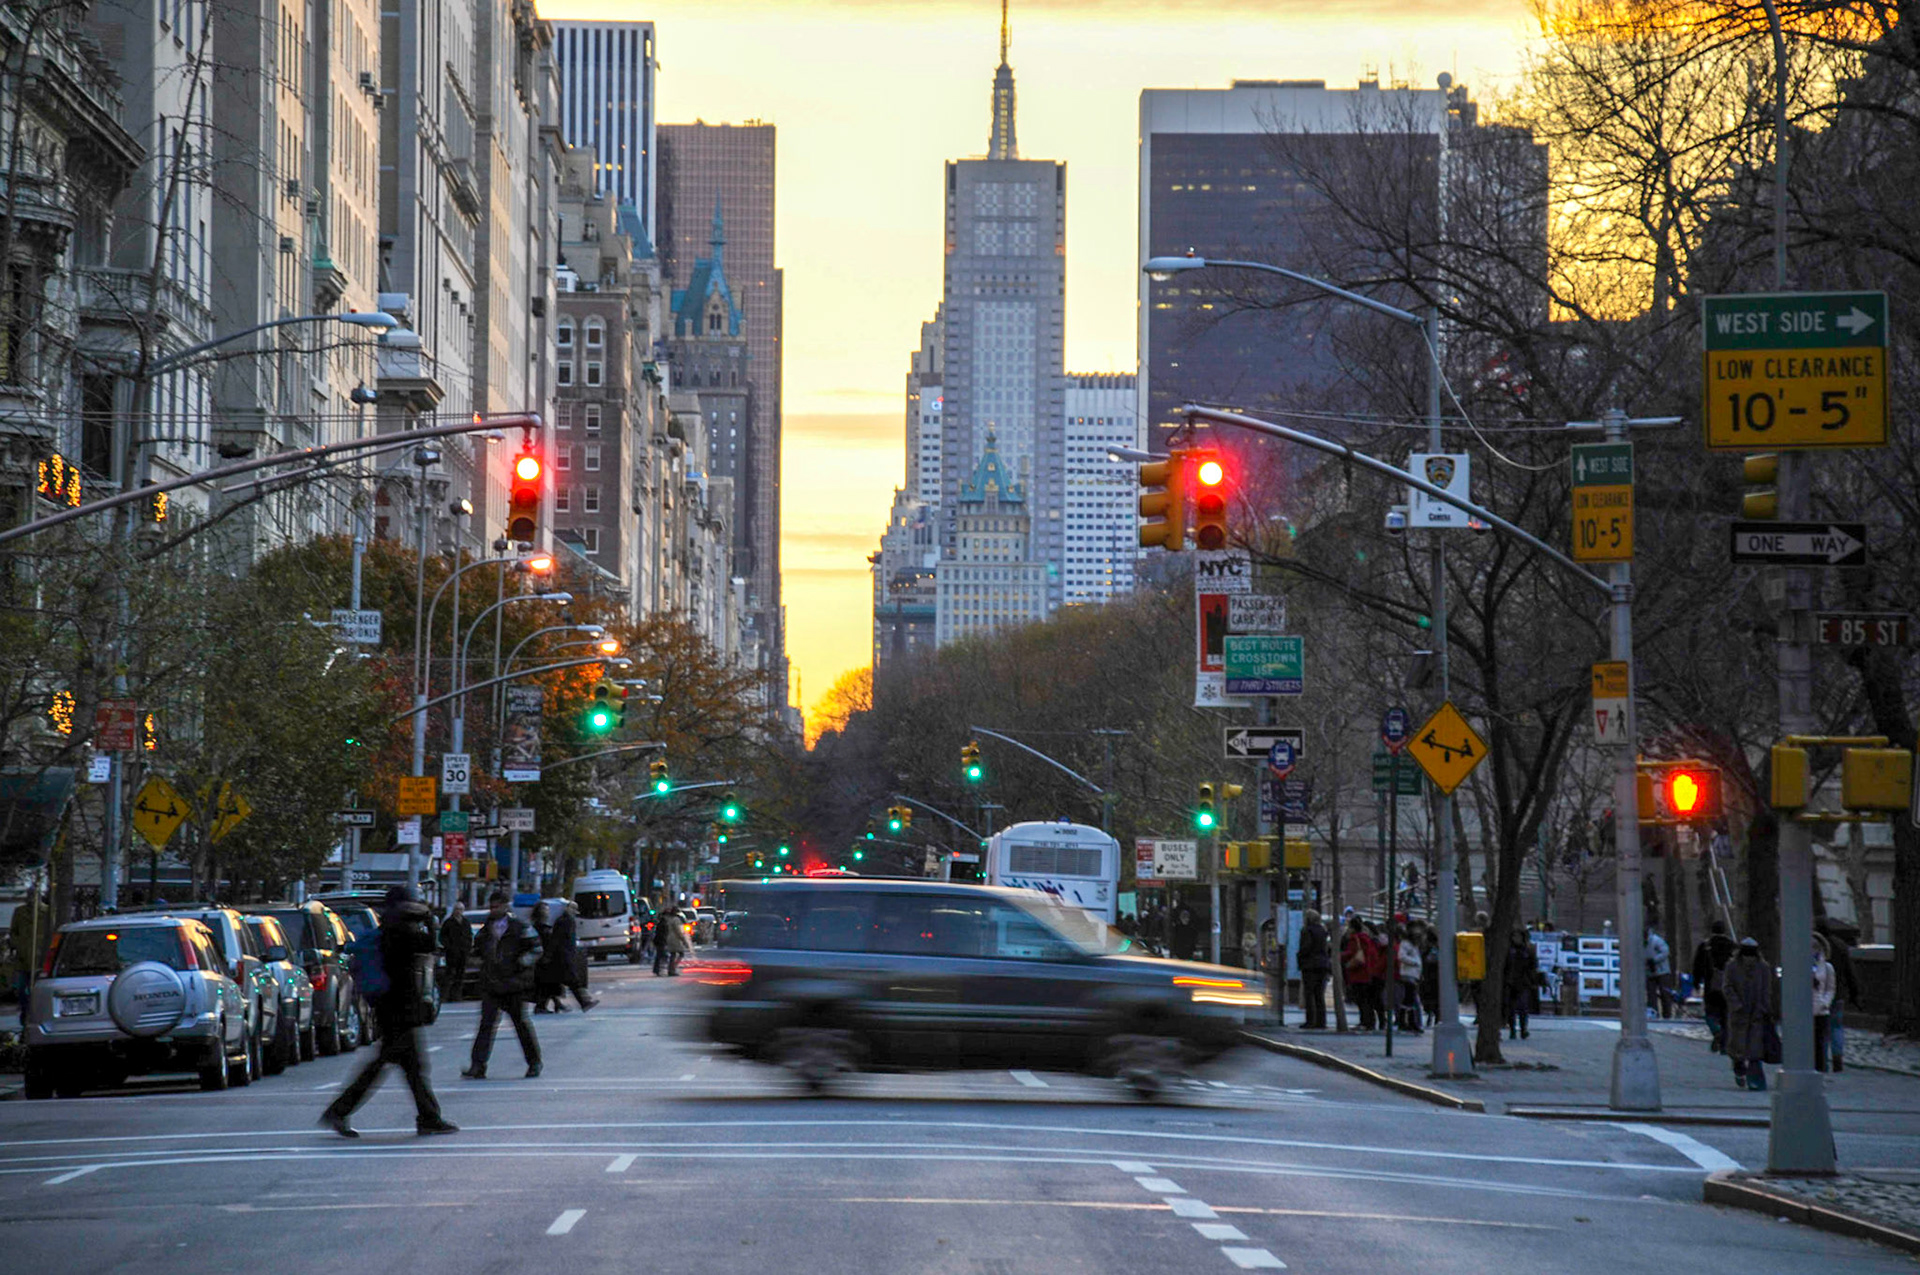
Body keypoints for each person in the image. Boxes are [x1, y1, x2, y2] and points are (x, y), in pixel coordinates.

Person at [320, 886, 457, 1138]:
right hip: (398, 1009)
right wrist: (429, 920)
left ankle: (428, 1117)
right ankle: (339, 1111)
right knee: (386, 1066)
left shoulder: (388, 929)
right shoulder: (401, 930)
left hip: (389, 1007)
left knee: (410, 1067)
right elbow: (429, 945)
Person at [463, 890, 543, 1080]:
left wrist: (523, 963)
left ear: (506, 906)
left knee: (521, 1025)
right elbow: (476, 952)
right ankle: (478, 1065)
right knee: (486, 1025)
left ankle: (534, 1062)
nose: (493, 910)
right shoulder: (485, 930)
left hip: (513, 984)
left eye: (497, 906)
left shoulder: (519, 927)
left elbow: (536, 949)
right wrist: (477, 963)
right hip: (492, 984)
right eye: (491, 906)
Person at [1721, 936, 1774, 1091]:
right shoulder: (1732, 966)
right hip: (1739, 1013)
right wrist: (1736, 1004)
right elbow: (1727, 987)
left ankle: (1755, 1080)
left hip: (1756, 1012)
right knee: (1737, 1047)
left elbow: (1766, 989)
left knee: (1754, 1049)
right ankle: (1739, 1068)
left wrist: (1765, 1007)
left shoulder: (1763, 967)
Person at [1817, 919, 1862, 1072]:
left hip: (1819, 994)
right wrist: (1854, 992)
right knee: (1836, 1027)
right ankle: (1837, 1059)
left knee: (1822, 1029)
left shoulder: (1816, 947)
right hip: (1838, 993)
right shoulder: (1840, 946)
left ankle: (1822, 1060)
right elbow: (1850, 972)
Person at [1690, 920, 1738, 1053]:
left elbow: (1697, 966)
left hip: (1711, 985)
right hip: (1728, 986)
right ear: (1724, 930)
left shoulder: (1705, 946)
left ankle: (1716, 1031)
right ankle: (1725, 1045)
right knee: (1726, 1014)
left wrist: (1696, 982)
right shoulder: (1732, 946)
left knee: (1710, 1013)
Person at [553, 901, 597, 1011]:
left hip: (563, 955)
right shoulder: (567, 921)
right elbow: (565, 940)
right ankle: (584, 1002)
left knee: (555, 982)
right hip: (565, 955)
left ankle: (549, 1004)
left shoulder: (562, 920)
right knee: (572, 980)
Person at [1297, 910, 1331, 1030]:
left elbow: (1305, 947)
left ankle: (1310, 1020)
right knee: (1319, 995)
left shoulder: (1307, 930)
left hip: (1310, 964)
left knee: (1309, 994)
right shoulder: (1322, 931)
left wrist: (1300, 957)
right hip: (1322, 964)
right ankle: (1321, 1021)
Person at [1505, 926, 1537, 1040]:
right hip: (1510, 981)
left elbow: (1533, 966)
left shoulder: (1527, 950)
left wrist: (1531, 979)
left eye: (1518, 936)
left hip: (1523, 982)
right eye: (1514, 936)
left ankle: (1523, 1029)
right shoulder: (1508, 950)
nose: (1516, 939)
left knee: (1523, 1007)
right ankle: (1513, 1030)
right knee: (1511, 1008)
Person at [1812, 932, 1836, 1074]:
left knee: (1820, 1044)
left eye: (1815, 946)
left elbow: (1830, 988)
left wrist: (1825, 1002)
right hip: (1804, 1010)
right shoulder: (1800, 965)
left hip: (1820, 1010)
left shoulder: (1827, 967)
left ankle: (1820, 1071)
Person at [439, 901, 471, 1003]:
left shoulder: (465, 922)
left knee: (460, 975)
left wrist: (468, 947)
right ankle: (445, 996)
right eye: (457, 909)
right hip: (452, 953)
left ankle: (457, 996)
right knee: (449, 975)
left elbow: (469, 936)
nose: (459, 911)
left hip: (463, 952)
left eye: (461, 909)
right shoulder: (449, 922)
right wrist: (449, 946)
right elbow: (442, 936)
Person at [1396, 920, 1423, 1034]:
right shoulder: (1406, 944)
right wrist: (1415, 963)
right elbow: (1401, 956)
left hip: (1413, 974)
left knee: (1409, 999)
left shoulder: (1413, 944)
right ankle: (1410, 1022)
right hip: (1408, 974)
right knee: (1410, 999)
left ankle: (1406, 1021)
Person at [654, 903, 691, 976]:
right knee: (680, 953)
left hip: (667, 938)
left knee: (672, 954)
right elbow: (678, 931)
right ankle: (672, 969)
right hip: (674, 939)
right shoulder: (675, 920)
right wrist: (683, 940)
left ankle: (670, 969)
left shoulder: (666, 919)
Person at [1645, 926, 1673, 1019]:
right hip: (1650, 971)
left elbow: (1665, 952)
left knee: (1664, 993)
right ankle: (1653, 1013)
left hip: (1662, 971)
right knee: (1651, 994)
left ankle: (1667, 1014)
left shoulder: (1656, 940)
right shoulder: (1641, 943)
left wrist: (1654, 960)